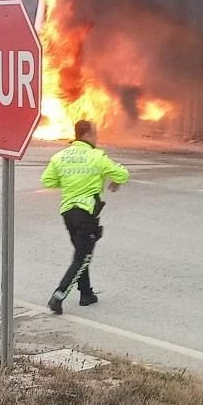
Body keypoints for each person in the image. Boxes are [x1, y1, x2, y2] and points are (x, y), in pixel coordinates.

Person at [41, 120, 130, 315]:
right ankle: (59, 295)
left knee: (81, 253)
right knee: (83, 256)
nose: (97, 137)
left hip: (68, 212)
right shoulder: (96, 156)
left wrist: (69, 184)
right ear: (88, 135)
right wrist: (115, 179)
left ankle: (86, 294)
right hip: (86, 213)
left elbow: (47, 180)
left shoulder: (60, 156)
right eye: (95, 133)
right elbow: (122, 175)